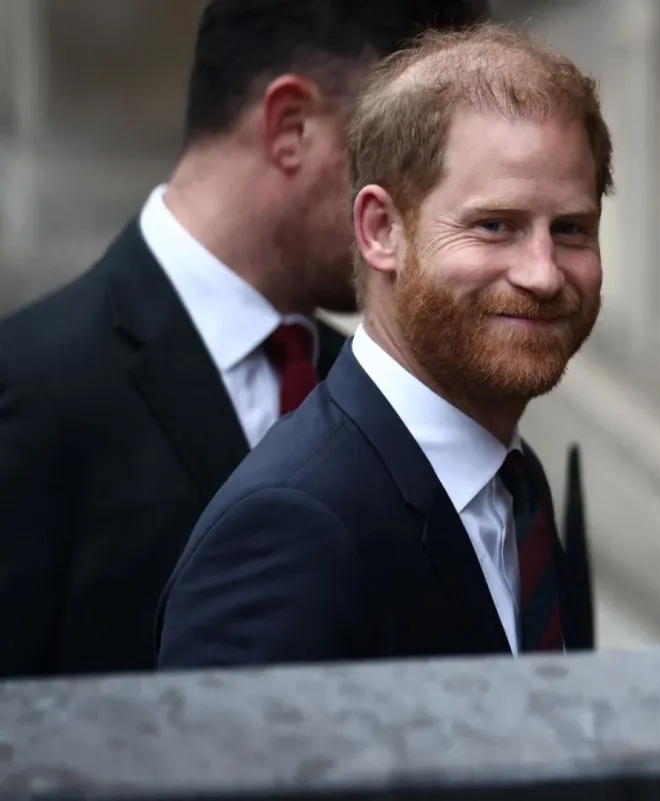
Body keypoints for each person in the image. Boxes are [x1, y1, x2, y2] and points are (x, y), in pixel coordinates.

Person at [0, 0, 488, 679]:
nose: (423, 213)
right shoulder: (30, 390)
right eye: (405, 159)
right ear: (291, 126)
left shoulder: (371, 385)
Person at [156, 24, 613, 668]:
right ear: (380, 231)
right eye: (493, 225)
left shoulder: (515, 485)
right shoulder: (290, 530)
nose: (542, 273)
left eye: (570, 229)